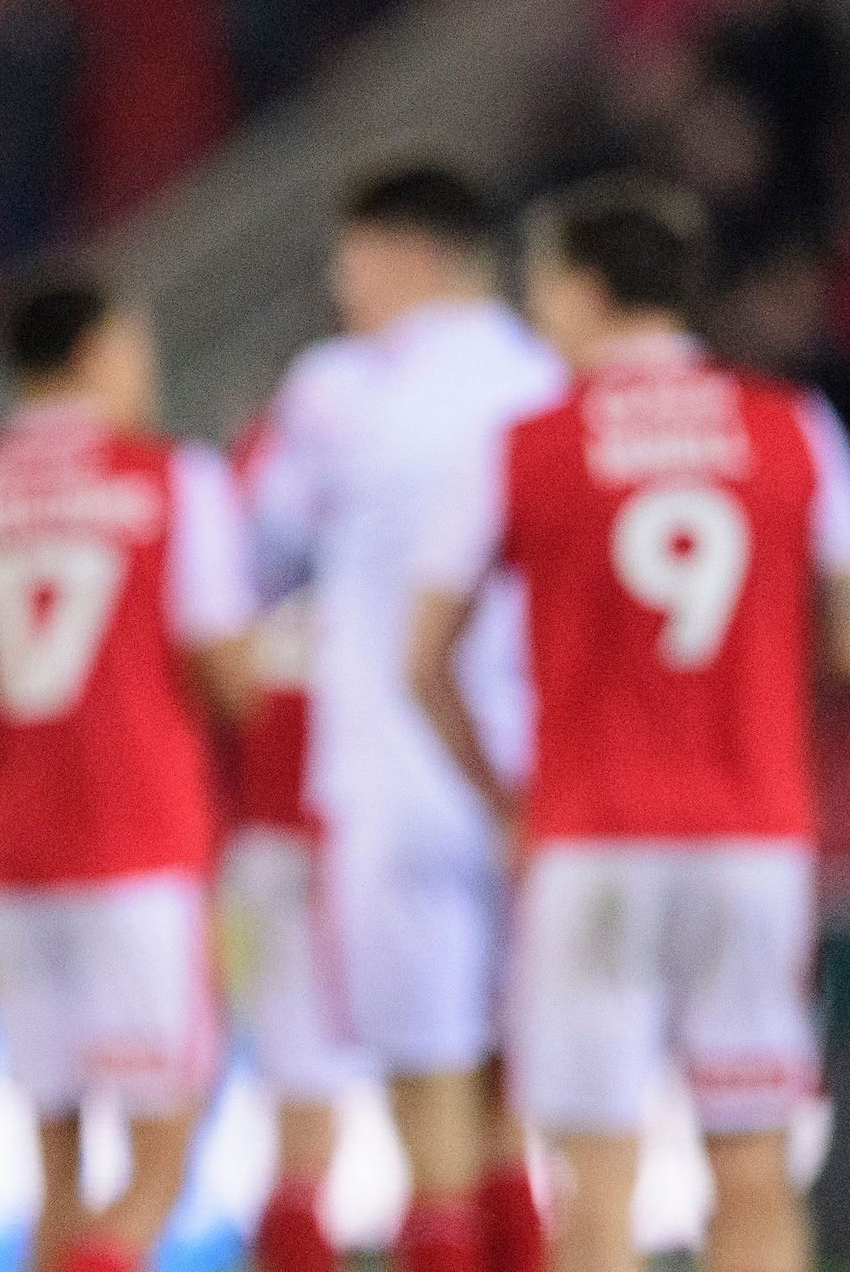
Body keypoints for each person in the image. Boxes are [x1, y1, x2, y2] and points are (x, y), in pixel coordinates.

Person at [411, 177, 850, 1272]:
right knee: (757, 1175)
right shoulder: (794, 426)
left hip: (594, 843)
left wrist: (504, 793)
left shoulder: (524, 443)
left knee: (600, 1185)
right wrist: (756, 685)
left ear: (584, 289)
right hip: (750, 838)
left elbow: (423, 655)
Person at [248, 162, 561, 1272]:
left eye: (350, 261)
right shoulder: (549, 379)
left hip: (396, 779)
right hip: (534, 783)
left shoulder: (340, 387)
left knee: (425, 1102)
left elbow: (262, 549)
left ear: (402, 255)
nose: (341, 286)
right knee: (506, 1098)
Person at [0, 271, 255, 1272]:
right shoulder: (170, 479)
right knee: (165, 1151)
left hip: (16, 854)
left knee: (54, 1170)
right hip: (141, 843)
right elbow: (226, 670)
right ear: (98, 349)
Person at [220, 419, 360, 1272]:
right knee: (470, 1100)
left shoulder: (248, 638)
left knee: (303, 1107)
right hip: (349, 852)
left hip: (271, 855)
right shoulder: (387, 617)